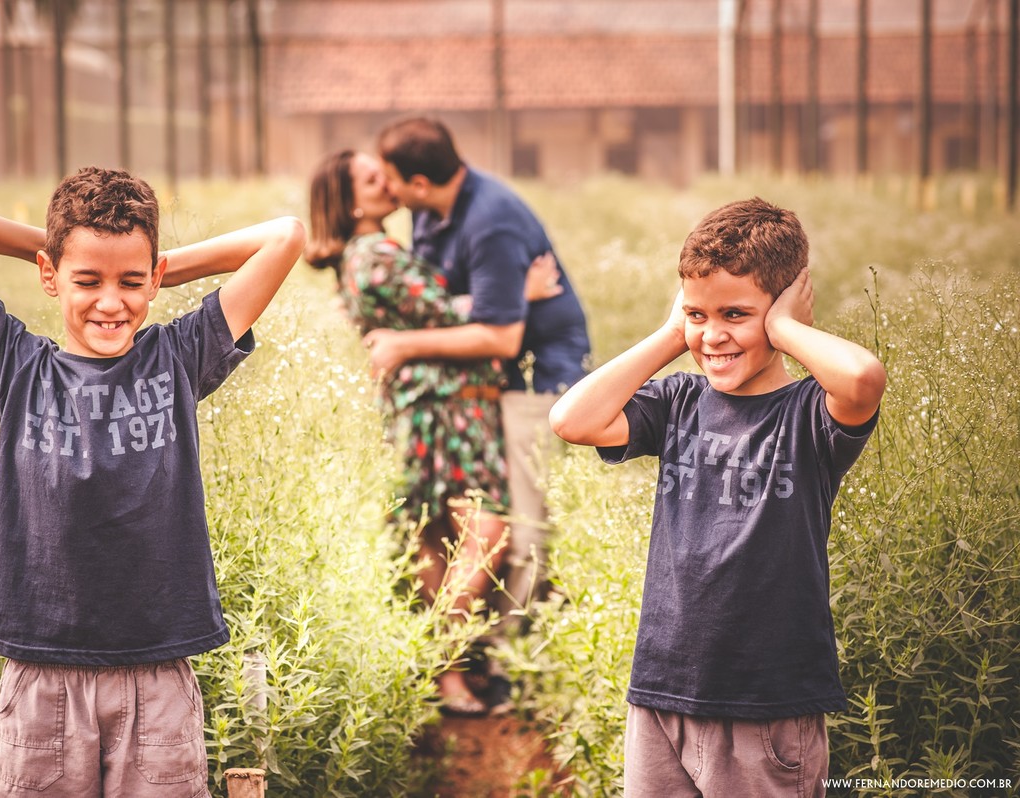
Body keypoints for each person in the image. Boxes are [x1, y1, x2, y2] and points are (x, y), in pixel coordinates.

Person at [0, 166, 305, 797]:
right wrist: (56, 246)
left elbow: (285, 236)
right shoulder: (17, 364)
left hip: (155, 674)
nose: (110, 302)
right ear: (49, 276)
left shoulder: (178, 358)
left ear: (152, 279)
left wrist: (160, 266)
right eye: (85, 280)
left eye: (130, 281)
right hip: (41, 673)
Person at [549, 198, 887, 796]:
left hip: (768, 707)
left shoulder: (808, 415)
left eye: (737, 313)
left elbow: (861, 378)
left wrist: (786, 330)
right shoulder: (679, 402)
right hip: (661, 692)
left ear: (782, 307)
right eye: (698, 315)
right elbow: (572, 420)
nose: (713, 334)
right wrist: (670, 335)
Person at [304, 149, 556, 716]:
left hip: (432, 408)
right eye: (372, 180)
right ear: (348, 202)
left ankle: (447, 680)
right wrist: (524, 293)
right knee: (486, 532)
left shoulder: (368, 253)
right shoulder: (375, 256)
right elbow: (447, 312)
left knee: (437, 538)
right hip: (446, 410)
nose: (387, 183)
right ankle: (441, 666)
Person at [365, 116, 591, 631]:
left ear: (419, 184)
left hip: (535, 378)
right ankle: (468, 642)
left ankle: (511, 659)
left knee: (524, 521)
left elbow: (501, 336)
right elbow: (438, 302)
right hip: (478, 380)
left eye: (390, 178)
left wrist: (402, 344)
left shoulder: (492, 220)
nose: (386, 188)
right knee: (458, 519)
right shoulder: (427, 213)